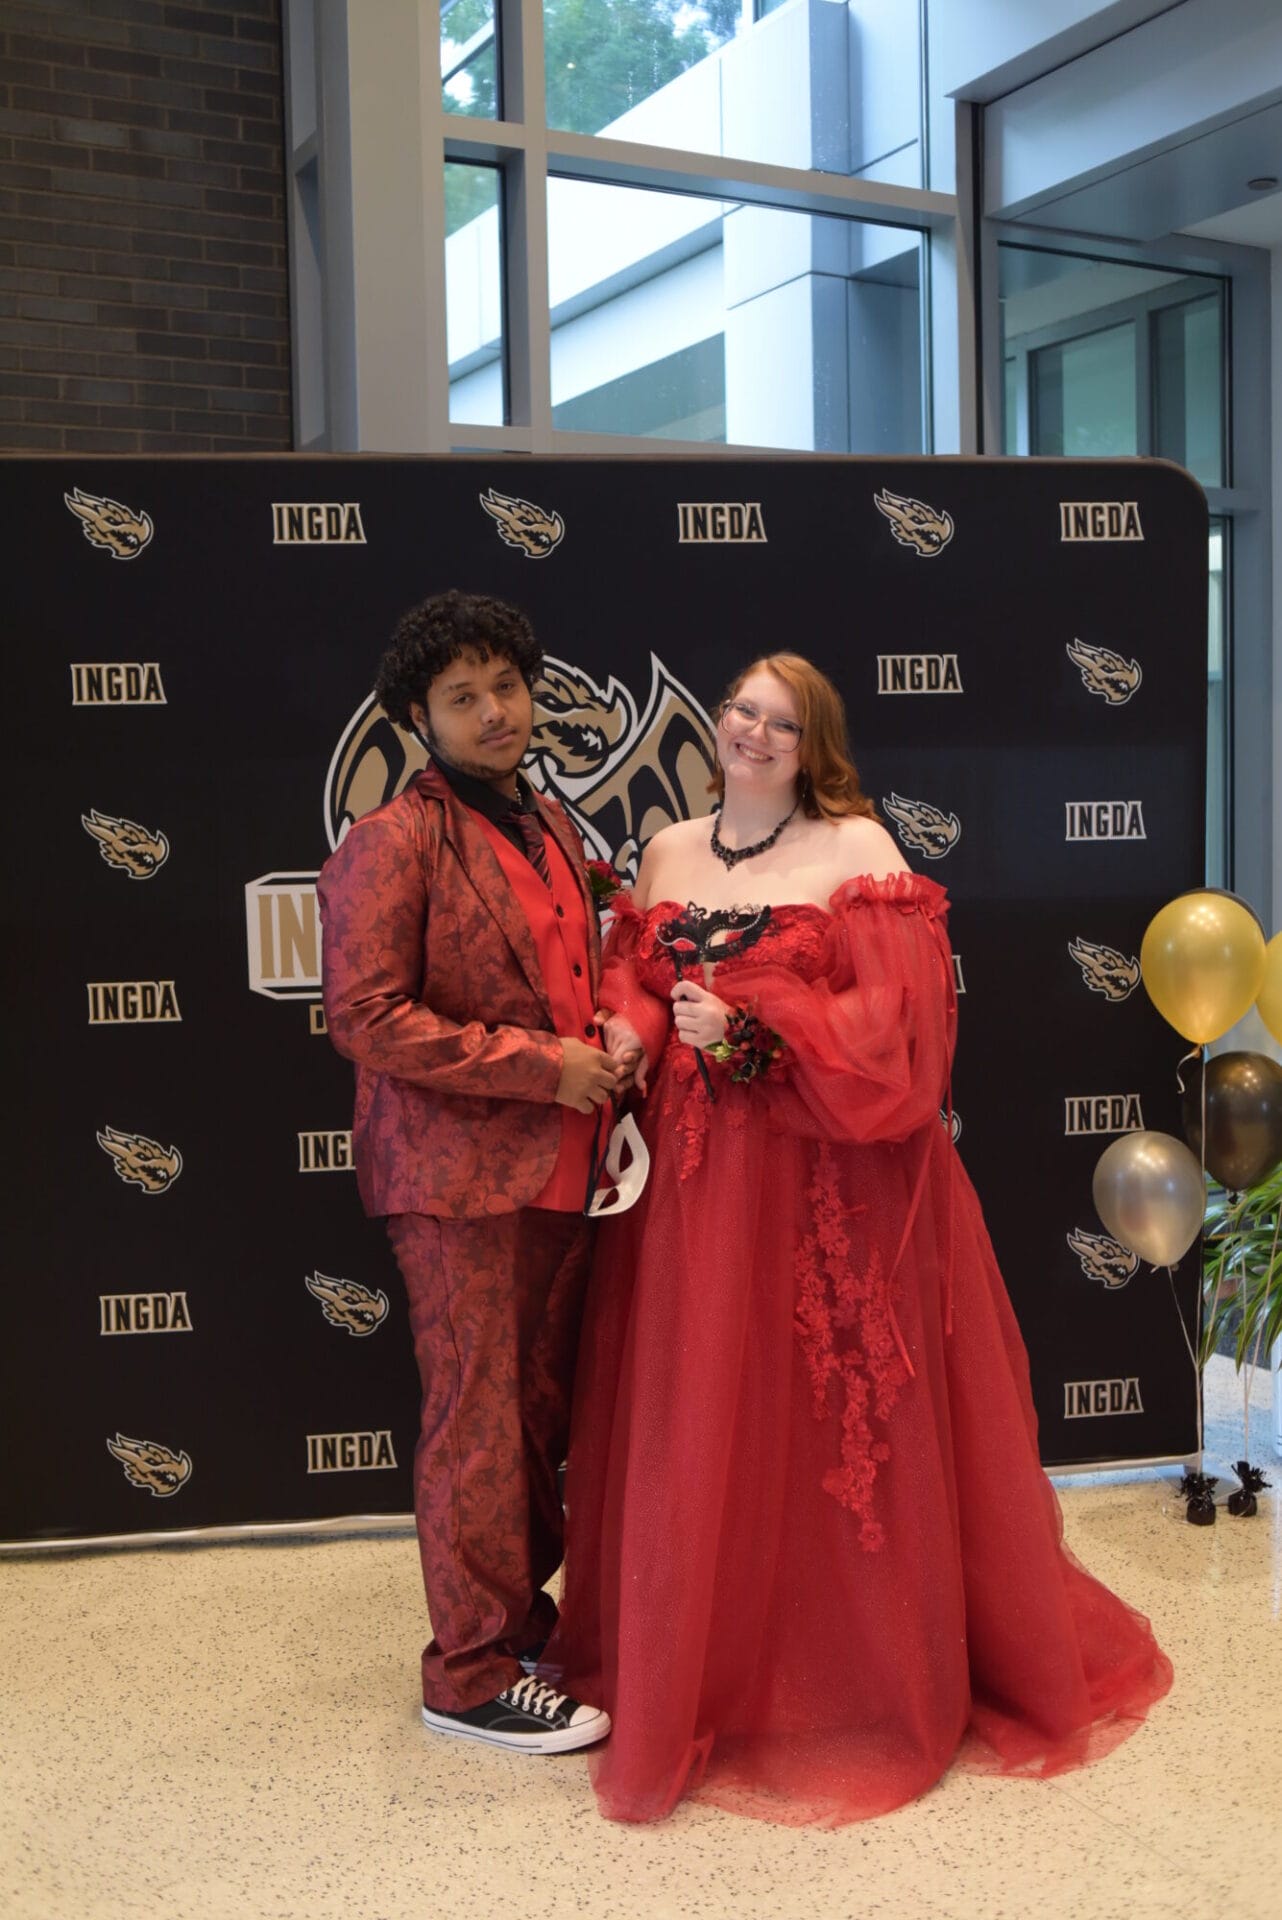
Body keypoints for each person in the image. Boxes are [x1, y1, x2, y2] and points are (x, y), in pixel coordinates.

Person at [542, 651, 1172, 1823]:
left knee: (823, 1418)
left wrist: (753, 1027)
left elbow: (898, 1037)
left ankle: (851, 1680)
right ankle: (699, 1662)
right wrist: (630, 1033)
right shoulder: (669, 849)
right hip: (689, 1190)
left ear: (815, 744)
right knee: (703, 1413)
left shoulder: (863, 854)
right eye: (742, 712)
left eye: (784, 724)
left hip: (820, 1182)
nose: (755, 735)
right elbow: (634, 973)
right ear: (717, 721)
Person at [318, 589, 630, 1754]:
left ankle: (522, 1625)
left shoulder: (551, 824)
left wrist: (617, 1033)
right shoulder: (390, 842)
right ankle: (468, 1672)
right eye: (463, 697)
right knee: (478, 1425)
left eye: (507, 685)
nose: (495, 711)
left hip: (565, 1172)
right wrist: (541, 1068)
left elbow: (582, 966)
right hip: (454, 1184)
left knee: (537, 1415)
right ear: (417, 719)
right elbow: (364, 1016)